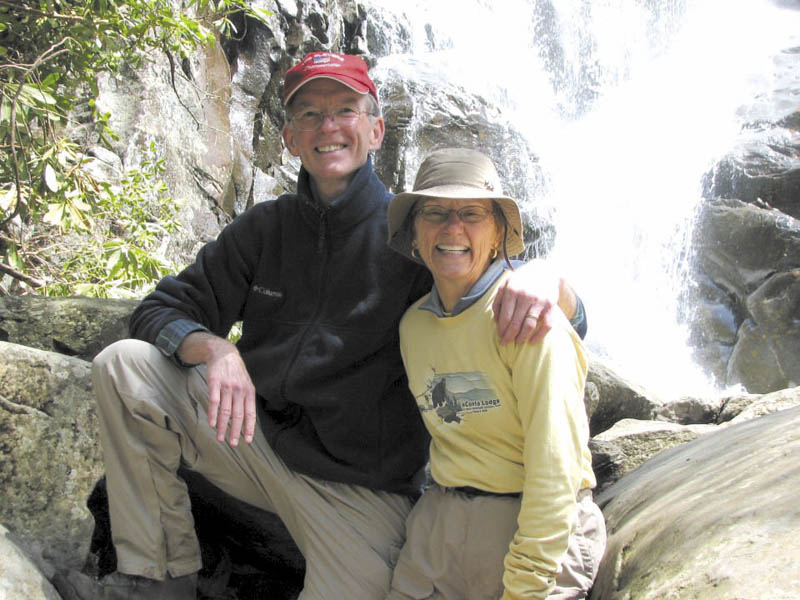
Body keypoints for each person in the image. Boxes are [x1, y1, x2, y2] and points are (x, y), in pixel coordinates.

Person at [54, 53, 587, 600]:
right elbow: (157, 310)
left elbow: (508, 296)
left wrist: (551, 281)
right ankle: (158, 580)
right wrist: (215, 349)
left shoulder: (417, 241)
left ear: (376, 129)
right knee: (125, 365)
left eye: (345, 110)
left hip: (360, 491)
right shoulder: (265, 228)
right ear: (288, 137)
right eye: (309, 114)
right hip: (253, 443)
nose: (328, 127)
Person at [384, 148, 606, 600]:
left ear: (499, 231)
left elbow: (556, 467)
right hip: (438, 529)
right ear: (413, 232)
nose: (451, 228)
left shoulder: (528, 319)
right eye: (435, 212)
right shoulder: (414, 327)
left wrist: (527, 582)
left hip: (532, 528)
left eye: (471, 213)